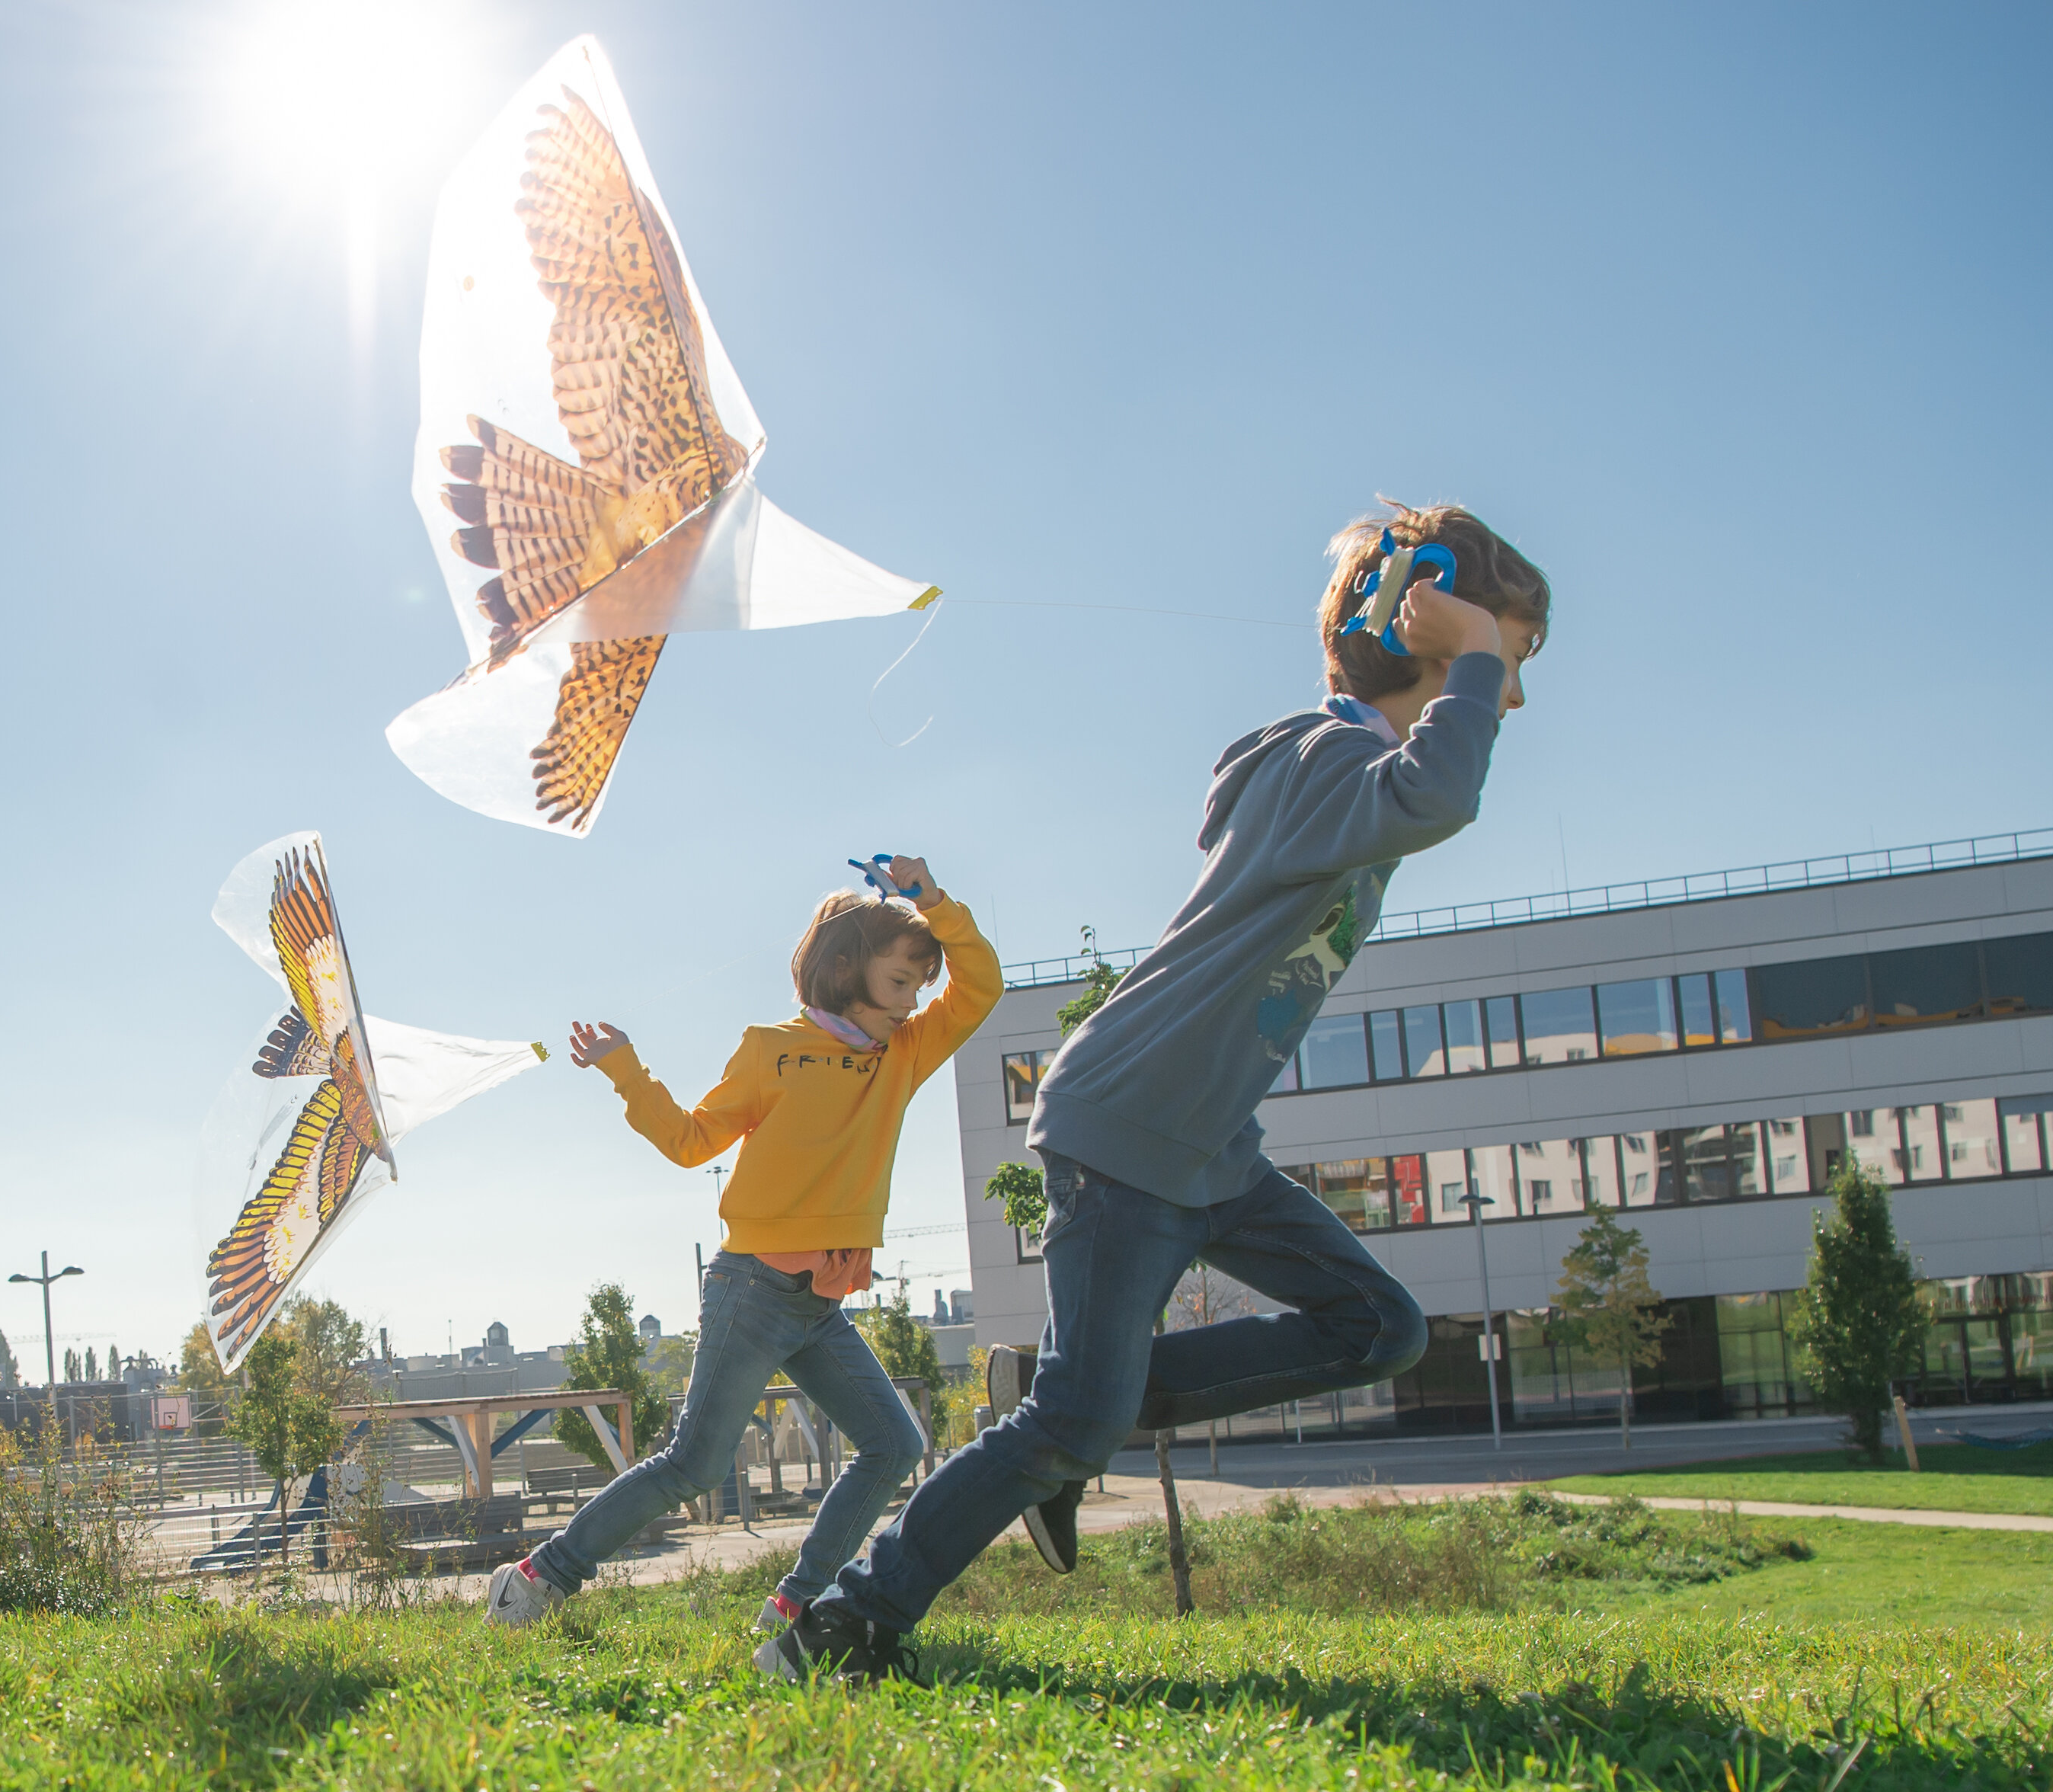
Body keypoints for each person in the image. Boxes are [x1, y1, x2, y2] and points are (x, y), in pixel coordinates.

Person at [760, 504, 1549, 1682]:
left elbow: (1418, 791)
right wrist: (1477, 652)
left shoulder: (1328, 769)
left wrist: (1467, 644)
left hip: (1210, 1148)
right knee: (1073, 1423)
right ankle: (842, 1627)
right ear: (1426, 624)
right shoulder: (1322, 762)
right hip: (1131, 1127)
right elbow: (1440, 797)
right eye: (1513, 660)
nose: (1516, 698)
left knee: (1377, 1329)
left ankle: (1074, 1416)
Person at [485, 858, 1003, 1631]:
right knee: (692, 1464)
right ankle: (536, 1577)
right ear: (842, 969)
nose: (912, 1003)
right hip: (750, 1289)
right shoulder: (771, 1049)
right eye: (899, 982)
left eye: (919, 988)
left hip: (821, 1302)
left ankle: (794, 1604)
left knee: (894, 1444)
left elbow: (981, 986)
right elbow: (690, 1142)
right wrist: (625, 1070)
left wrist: (931, 903)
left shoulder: (901, 1053)